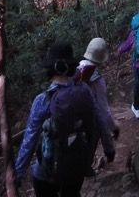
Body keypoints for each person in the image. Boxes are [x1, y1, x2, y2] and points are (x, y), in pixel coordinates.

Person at [14, 41, 115, 197]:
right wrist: (109, 149)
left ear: (50, 69)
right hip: (76, 169)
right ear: (71, 67)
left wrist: (18, 174)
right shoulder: (85, 91)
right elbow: (100, 121)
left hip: (46, 174)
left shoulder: (42, 100)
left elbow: (29, 140)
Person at [77, 37, 120, 177]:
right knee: (93, 137)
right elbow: (103, 111)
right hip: (89, 120)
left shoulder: (76, 68)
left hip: (72, 117)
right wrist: (114, 127)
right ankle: (86, 168)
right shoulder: (97, 80)